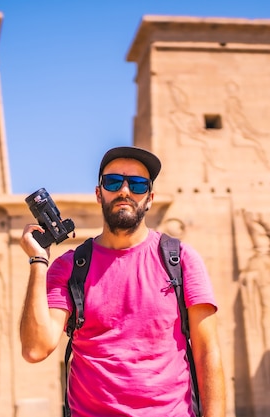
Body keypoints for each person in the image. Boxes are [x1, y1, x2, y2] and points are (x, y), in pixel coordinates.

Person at [19, 146, 226, 417]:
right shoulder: (70, 267)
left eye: (138, 184)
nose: (125, 191)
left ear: (150, 198)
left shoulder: (181, 260)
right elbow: (35, 349)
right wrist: (38, 262)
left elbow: (207, 353)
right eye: (113, 182)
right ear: (98, 193)